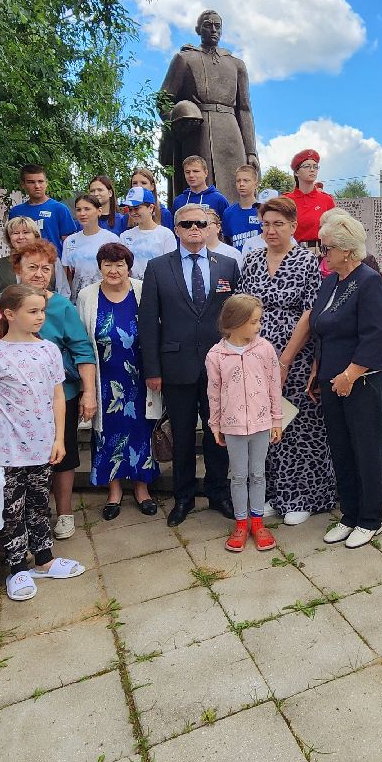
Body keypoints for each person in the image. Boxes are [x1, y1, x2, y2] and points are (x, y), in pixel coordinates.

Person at [0, 284, 85, 601]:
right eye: (32, 311)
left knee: (39, 502)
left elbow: (58, 397)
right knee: (11, 508)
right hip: (4, 448)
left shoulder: (49, 350)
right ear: (9, 314)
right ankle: (17, 567)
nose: (40, 317)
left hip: (41, 445)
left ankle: (44, 559)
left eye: (42, 311)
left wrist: (59, 438)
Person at [235, 195, 336, 525]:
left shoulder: (307, 261)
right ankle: (274, 494)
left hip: (296, 358)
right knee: (264, 427)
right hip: (255, 357)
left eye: (278, 224)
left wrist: (284, 360)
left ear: (293, 226)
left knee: (297, 425)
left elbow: (309, 313)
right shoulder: (252, 261)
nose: (271, 230)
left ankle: (302, 496)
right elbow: (242, 307)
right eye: (266, 224)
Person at [139, 203, 240, 526]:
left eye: (200, 223)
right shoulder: (158, 268)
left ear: (210, 227)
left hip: (219, 367)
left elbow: (237, 318)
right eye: (186, 224)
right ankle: (183, 497)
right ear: (176, 230)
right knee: (182, 436)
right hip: (176, 366)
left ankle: (218, 493)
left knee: (217, 434)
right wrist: (152, 369)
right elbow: (148, 323)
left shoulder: (228, 265)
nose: (194, 228)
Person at [2, 240, 97, 540]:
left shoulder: (61, 306)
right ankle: (27, 515)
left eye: (46, 268)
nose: (40, 274)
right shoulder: (1, 303)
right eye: (32, 267)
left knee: (63, 453)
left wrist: (88, 393)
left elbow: (82, 349)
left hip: (60, 396)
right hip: (15, 400)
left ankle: (64, 512)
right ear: (18, 268)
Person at [310, 210, 382, 549]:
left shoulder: (368, 281)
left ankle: (370, 519)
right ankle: (349, 514)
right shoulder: (331, 281)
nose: (322, 253)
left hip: (361, 382)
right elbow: (322, 329)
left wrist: (350, 374)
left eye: (326, 247)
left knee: (364, 451)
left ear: (346, 250)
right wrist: (317, 371)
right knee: (341, 450)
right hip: (331, 380)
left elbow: (375, 335)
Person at [78, 242, 159, 520]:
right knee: (108, 434)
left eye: (119, 264)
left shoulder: (142, 290)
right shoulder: (87, 296)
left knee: (141, 431)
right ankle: (114, 491)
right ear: (100, 267)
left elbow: (155, 329)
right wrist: (87, 388)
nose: (113, 270)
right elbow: (82, 341)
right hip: (105, 378)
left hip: (139, 378)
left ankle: (142, 488)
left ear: (129, 267)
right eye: (108, 264)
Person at [207, 294, 283, 552]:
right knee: (238, 476)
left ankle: (258, 523)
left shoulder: (265, 350)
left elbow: (274, 386)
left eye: (259, 321)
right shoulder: (216, 355)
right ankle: (241, 523)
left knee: (258, 474)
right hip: (233, 427)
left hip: (261, 425)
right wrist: (215, 425)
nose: (258, 326)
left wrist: (276, 420)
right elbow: (214, 393)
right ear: (236, 322)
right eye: (253, 322)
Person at [159, 9, 258, 196]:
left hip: (231, 132)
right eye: (208, 25)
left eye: (217, 26)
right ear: (198, 30)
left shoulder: (236, 64)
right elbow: (163, 100)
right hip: (197, 130)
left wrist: (251, 151)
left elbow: (244, 109)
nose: (213, 30)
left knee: (236, 189)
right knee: (198, 188)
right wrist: (178, 119)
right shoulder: (185, 59)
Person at [62, 193, 125, 299]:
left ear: (99, 211)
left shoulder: (111, 239)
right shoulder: (70, 241)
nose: (82, 213)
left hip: (105, 296)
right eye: (78, 210)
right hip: (78, 299)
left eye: (87, 209)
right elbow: (66, 275)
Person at [7, 163, 78, 255]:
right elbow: (13, 243)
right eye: (31, 182)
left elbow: (69, 243)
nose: (37, 186)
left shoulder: (59, 208)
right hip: (24, 261)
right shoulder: (16, 212)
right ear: (23, 184)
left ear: (46, 183)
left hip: (53, 261)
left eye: (40, 181)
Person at [0, 216, 70, 297]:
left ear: (35, 236)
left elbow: (64, 292)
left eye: (26, 232)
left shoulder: (52, 260)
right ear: (9, 238)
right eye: (16, 233)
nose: (21, 237)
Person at [119, 187, 177, 277]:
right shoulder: (125, 236)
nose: (133, 213)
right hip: (132, 284)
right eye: (130, 209)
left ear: (151, 208)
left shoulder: (166, 234)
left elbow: (171, 266)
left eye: (136, 208)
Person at [286, 149, 335, 245]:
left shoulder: (327, 200)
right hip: (292, 250)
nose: (312, 170)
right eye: (307, 166)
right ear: (296, 172)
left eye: (315, 167)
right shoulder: (286, 200)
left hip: (320, 251)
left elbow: (335, 229)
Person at [172, 154, 232, 221]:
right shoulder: (179, 201)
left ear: (206, 173)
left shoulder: (219, 200)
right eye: (187, 172)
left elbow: (227, 225)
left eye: (196, 171)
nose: (191, 175)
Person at [222, 163, 265, 252]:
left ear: (256, 184)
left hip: (260, 258)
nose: (241, 184)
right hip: (237, 258)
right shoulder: (228, 213)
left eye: (246, 180)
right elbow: (227, 241)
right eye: (238, 181)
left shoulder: (264, 210)